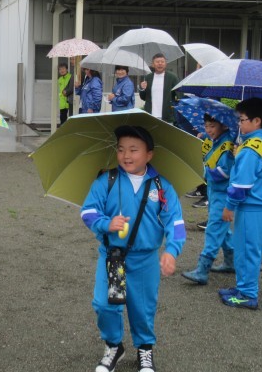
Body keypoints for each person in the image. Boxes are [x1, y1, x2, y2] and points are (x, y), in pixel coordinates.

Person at [81, 125, 186, 372]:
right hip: (115, 259)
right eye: (120, 149)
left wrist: (172, 250)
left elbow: (177, 223)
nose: (126, 155)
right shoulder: (107, 180)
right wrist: (106, 223)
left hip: (145, 260)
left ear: (149, 154)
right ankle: (114, 346)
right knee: (107, 305)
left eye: (133, 150)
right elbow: (88, 211)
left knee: (143, 307)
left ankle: (145, 349)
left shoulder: (162, 186)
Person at [219, 98, 262, 310]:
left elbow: (241, 186)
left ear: (257, 121)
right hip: (260, 204)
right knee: (248, 248)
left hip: (250, 206)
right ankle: (242, 287)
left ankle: (247, 294)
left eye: (242, 119)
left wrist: (229, 206)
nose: (239, 124)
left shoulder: (250, 149)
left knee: (247, 250)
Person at [181, 114, 235, 285]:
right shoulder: (216, 141)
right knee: (223, 229)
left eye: (212, 126)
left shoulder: (227, 145)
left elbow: (225, 172)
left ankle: (202, 270)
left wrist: (204, 172)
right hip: (215, 192)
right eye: (206, 126)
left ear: (224, 126)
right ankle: (231, 262)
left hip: (222, 193)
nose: (208, 130)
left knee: (214, 229)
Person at [138, 53, 180, 123]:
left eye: (162, 62)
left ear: (165, 64)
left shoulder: (172, 77)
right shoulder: (148, 78)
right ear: (153, 64)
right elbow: (143, 98)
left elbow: (179, 95)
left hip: (167, 116)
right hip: (150, 115)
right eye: (157, 62)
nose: (160, 64)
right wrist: (143, 89)